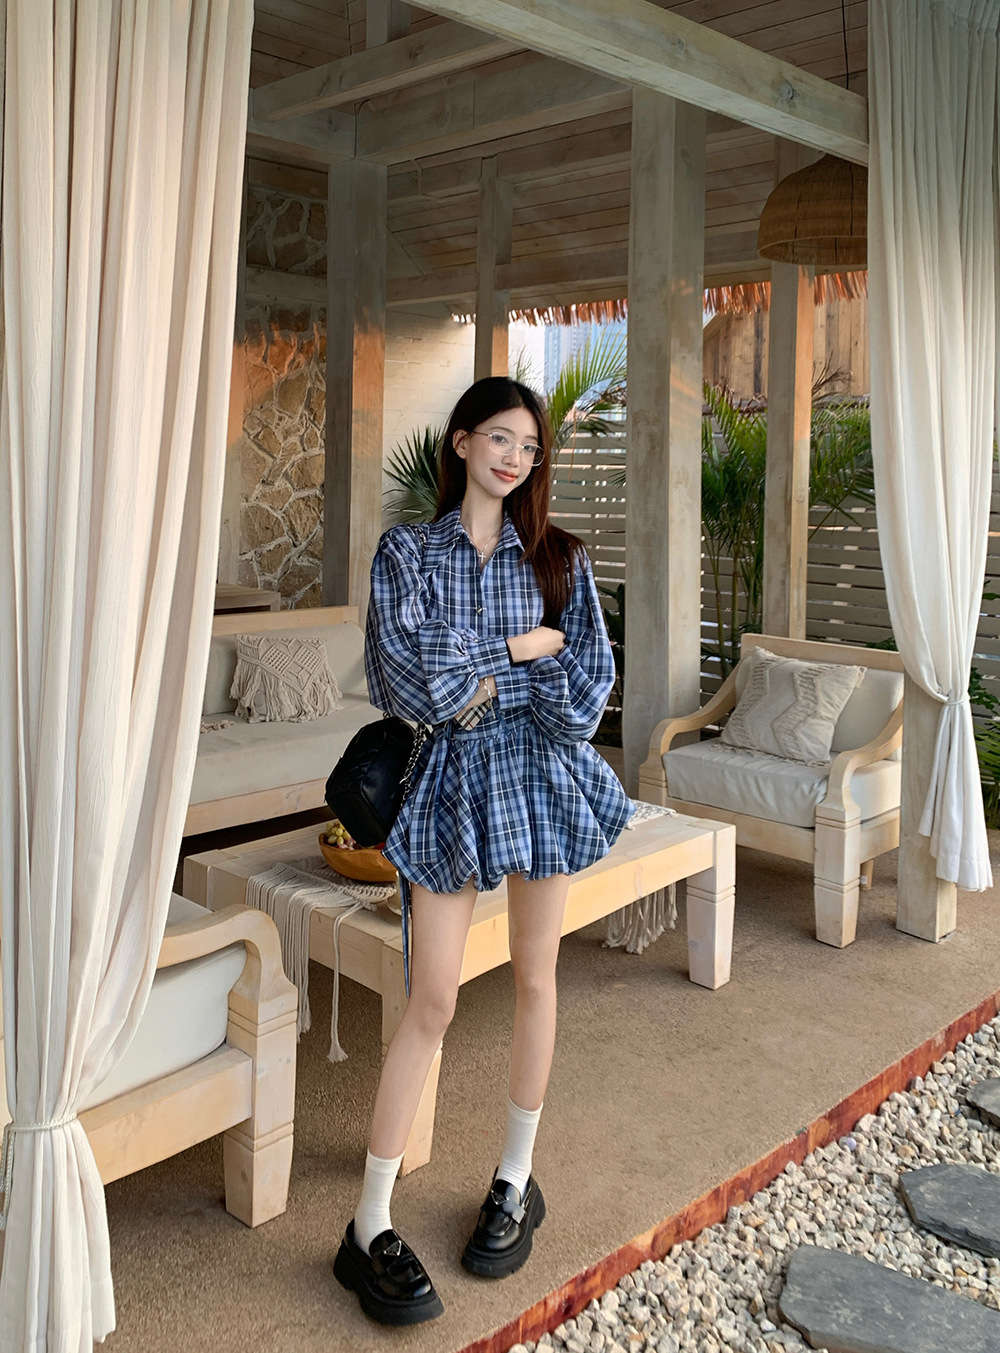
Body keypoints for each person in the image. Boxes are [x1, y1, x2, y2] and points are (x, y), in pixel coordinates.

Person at [333, 376, 634, 1326]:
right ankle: (367, 1223)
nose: (515, 458)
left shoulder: (559, 559)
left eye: (530, 447)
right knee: (433, 999)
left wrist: (499, 666)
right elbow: (411, 683)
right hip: (449, 783)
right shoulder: (407, 554)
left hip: (541, 774)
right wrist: (519, 650)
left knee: (539, 975)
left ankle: (514, 1177)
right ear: (461, 441)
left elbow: (584, 695)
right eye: (500, 438)